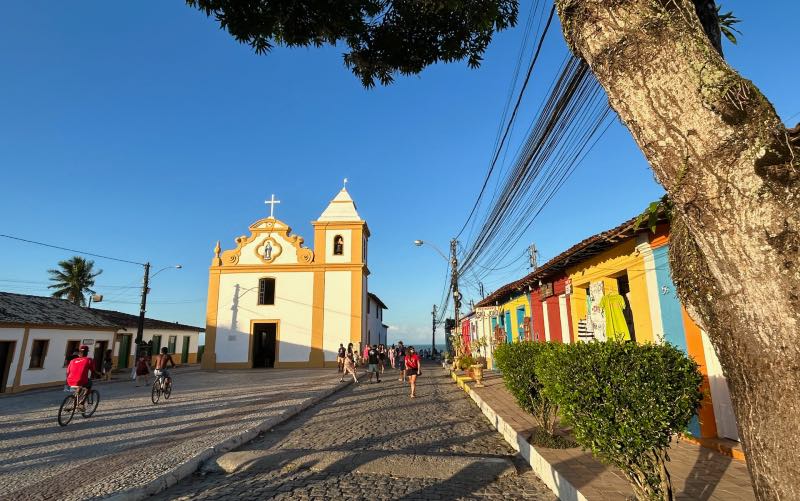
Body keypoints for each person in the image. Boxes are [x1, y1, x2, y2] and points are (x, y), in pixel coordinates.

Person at [65, 345, 94, 410]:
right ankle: (82, 403)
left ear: (79, 352)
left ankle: (74, 400)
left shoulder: (73, 360)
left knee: (79, 385)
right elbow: (93, 370)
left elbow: (67, 371)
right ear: (87, 352)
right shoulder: (88, 360)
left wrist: (67, 381)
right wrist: (99, 374)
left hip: (69, 381)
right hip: (81, 380)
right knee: (89, 384)